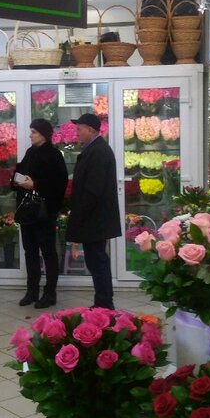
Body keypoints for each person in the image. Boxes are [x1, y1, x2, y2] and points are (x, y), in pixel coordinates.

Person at [65, 112, 121, 310]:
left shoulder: (98, 151)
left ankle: (104, 304)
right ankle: (102, 302)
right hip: (94, 217)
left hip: (95, 218)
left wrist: (79, 213)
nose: (77, 133)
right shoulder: (94, 148)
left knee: (97, 261)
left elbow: (93, 190)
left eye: (79, 129)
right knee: (96, 261)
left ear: (90, 130)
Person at [12, 118, 68, 308]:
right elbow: (20, 172)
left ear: (44, 134)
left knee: (48, 252)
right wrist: (17, 180)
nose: (30, 135)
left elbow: (59, 183)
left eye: (34, 132)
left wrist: (35, 184)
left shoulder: (54, 155)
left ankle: (50, 293)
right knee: (30, 252)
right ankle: (32, 291)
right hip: (27, 211)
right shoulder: (30, 152)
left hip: (44, 212)